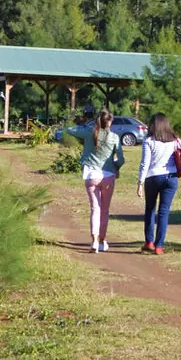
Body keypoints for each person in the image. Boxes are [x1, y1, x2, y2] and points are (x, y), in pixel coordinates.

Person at [54, 108, 126, 252]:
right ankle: (102, 241)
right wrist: (115, 167)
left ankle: (93, 241)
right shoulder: (114, 138)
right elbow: (121, 159)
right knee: (105, 210)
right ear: (110, 122)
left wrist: (80, 126)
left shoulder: (89, 133)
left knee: (95, 208)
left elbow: (71, 130)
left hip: (91, 175)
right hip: (108, 176)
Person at [138, 113, 181, 253]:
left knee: (150, 209)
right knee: (164, 212)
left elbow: (144, 164)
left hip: (153, 177)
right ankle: (159, 246)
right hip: (171, 177)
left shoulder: (149, 141)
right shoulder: (174, 140)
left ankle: (149, 242)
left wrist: (140, 182)